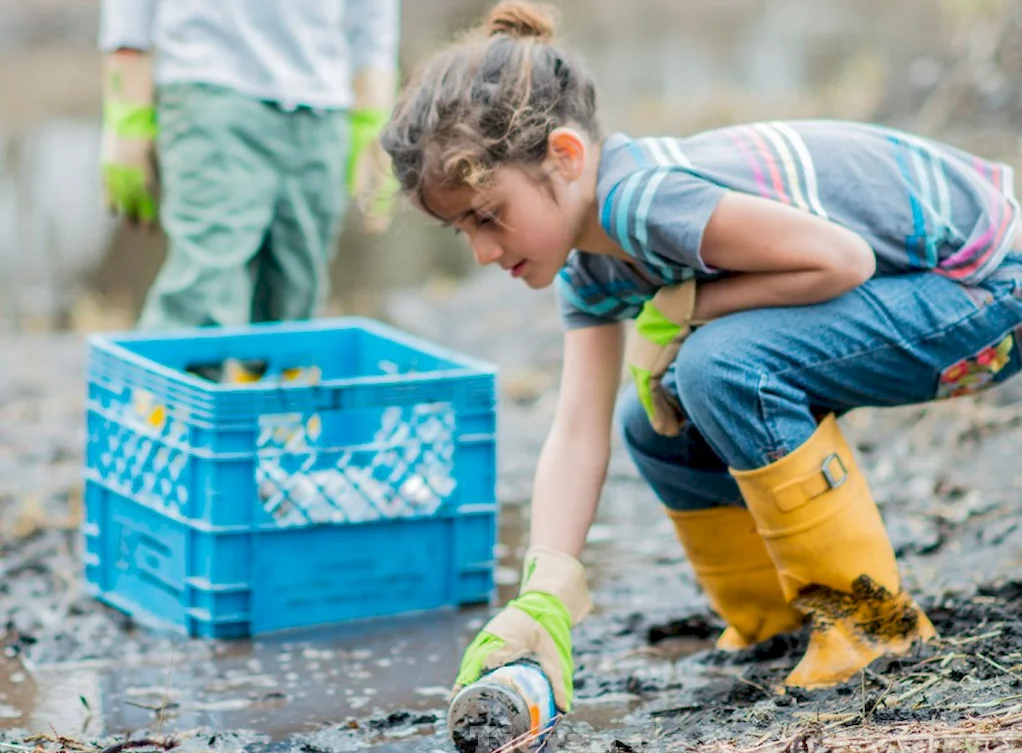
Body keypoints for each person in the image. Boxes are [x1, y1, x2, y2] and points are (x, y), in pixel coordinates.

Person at [380, 1, 1022, 713]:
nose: (482, 251)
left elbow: (842, 259)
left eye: (488, 214)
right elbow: (577, 431)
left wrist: (680, 311)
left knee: (717, 365)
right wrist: (545, 590)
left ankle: (870, 624)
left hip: (986, 289)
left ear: (564, 157)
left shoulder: (645, 199)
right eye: (460, 229)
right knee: (648, 419)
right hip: (922, 298)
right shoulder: (589, 265)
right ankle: (769, 621)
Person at [98, 0, 401, 329]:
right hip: (211, 83)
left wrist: (374, 112)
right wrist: (125, 106)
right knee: (206, 288)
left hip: (322, 102)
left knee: (295, 296)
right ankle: (171, 379)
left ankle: (271, 379)